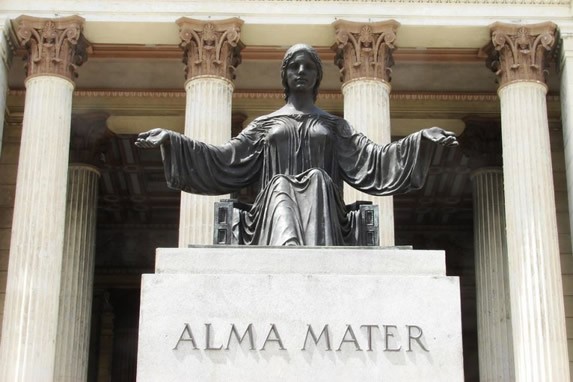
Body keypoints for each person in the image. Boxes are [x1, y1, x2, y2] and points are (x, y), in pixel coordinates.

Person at [136, 43, 458, 246]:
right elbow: (224, 159)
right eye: (294, 66)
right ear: (285, 75)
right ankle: (288, 250)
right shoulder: (264, 126)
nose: (301, 71)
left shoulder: (334, 126)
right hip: (269, 215)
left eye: (308, 66)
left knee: (317, 179)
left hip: (327, 216)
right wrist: (173, 142)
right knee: (279, 185)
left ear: (318, 77)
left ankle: (306, 256)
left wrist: (419, 141)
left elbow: (374, 160)